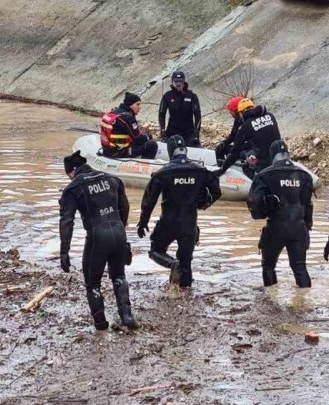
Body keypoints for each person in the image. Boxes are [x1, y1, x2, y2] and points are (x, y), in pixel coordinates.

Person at [60, 151, 135, 330]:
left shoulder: (73, 188)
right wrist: (121, 233)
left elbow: (67, 221)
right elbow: (124, 207)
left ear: (72, 171)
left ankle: (101, 324)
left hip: (97, 236)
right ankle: (127, 317)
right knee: (119, 276)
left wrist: (64, 251)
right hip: (118, 231)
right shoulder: (112, 179)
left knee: (92, 283)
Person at [137, 136, 222, 287]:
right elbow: (216, 190)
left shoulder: (163, 173)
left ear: (170, 151)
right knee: (186, 263)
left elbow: (149, 200)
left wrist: (143, 222)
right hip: (189, 223)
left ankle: (171, 265)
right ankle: (187, 299)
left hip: (168, 222)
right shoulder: (200, 170)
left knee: (155, 251)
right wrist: (204, 203)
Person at [247, 140, 314, 287]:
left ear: (272, 155)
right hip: (299, 228)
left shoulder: (265, 175)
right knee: (300, 268)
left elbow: (253, 204)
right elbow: (308, 206)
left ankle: (270, 302)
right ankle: (305, 303)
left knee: (268, 266)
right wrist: (307, 229)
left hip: (276, 228)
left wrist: (264, 209)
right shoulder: (304, 175)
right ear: (287, 154)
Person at [216, 98, 281, 178]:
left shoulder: (245, 126)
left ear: (241, 113)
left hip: (264, 163)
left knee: (247, 154)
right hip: (279, 156)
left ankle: (250, 178)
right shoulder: (270, 115)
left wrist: (222, 170)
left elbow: (235, 152)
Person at [100, 92, 158, 159]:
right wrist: (150, 136)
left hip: (107, 150)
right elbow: (139, 139)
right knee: (152, 145)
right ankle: (145, 166)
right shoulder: (128, 118)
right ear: (130, 105)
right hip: (118, 153)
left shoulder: (114, 112)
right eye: (137, 104)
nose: (140, 107)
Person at [158, 71, 201, 147]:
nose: (178, 84)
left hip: (188, 133)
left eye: (180, 81)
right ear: (172, 81)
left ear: (184, 81)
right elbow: (161, 114)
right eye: (176, 81)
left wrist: (196, 133)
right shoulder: (167, 96)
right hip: (171, 132)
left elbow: (198, 115)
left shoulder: (192, 95)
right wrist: (163, 131)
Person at [214, 96, 246, 163]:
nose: (230, 112)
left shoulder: (247, 121)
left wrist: (233, 151)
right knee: (219, 149)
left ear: (236, 110)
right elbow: (233, 135)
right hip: (239, 147)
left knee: (238, 153)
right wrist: (224, 143)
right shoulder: (238, 119)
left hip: (246, 149)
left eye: (231, 110)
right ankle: (222, 168)